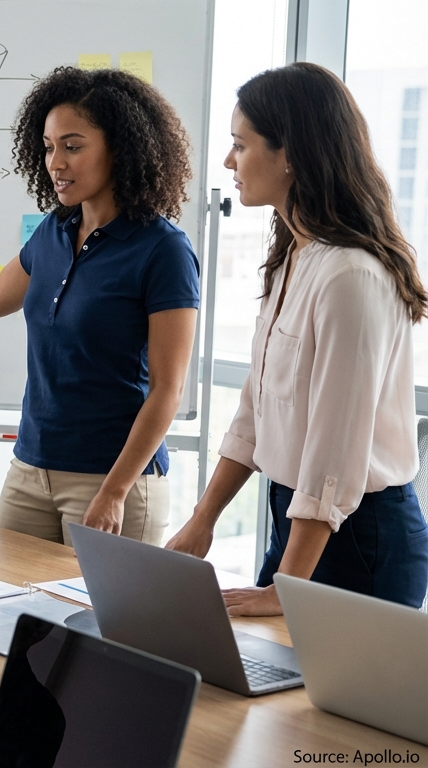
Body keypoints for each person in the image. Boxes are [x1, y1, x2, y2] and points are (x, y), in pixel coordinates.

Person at [0, 67, 199, 547]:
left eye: (73, 146)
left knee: (101, 624)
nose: (56, 162)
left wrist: (115, 491)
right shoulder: (53, 231)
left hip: (113, 483)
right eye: (49, 147)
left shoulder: (163, 250)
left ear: (121, 149)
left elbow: (167, 391)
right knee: (13, 618)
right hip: (31, 470)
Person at [167, 63, 428, 615]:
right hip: (299, 527)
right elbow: (254, 415)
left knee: (308, 699)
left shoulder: (351, 276)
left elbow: (333, 455)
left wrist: (286, 591)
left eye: (241, 145)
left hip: (359, 538)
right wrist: (202, 522)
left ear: (292, 154)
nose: (228, 162)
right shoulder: (294, 256)